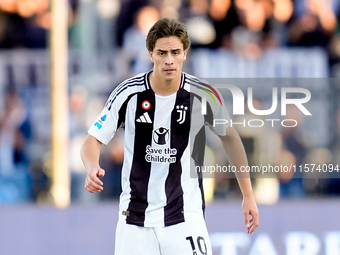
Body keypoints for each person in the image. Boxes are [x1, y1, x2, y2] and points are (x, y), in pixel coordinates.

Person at [80, 17, 259, 254]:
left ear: (185, 53)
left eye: (175, 52)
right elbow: (92, 139)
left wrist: (248, 195)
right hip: (135, 219)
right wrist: (92, 166)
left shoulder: (203, 95)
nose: (169, 60)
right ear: (151, 54)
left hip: (185, 216)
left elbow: (230, 138)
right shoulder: (128, 94)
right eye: (162, 53)